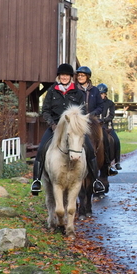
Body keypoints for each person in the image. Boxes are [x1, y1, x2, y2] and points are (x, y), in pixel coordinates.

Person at [30, 63, 105, 196]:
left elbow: (82, 111)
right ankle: (36, 181)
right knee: (42, 148)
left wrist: (77, 124)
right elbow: (45, 110)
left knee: (89, 148)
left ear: (71, 77)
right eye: (62, 75)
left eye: (67, 75)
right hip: (55, 127)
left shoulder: (77, 92)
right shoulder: (52, 91)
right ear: (59, 76)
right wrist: (52, 124)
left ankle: (95, 181)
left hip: (73, 128)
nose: (64, 77)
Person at [97, 83, 122, 173]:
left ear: (105, 94)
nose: (101, 95)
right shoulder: (96, 103)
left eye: (102, 94)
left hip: (107, 127)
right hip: (97, 127)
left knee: (116, 140)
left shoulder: (110, 103)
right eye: (99, 94)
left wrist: (103, 120)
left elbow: (111, 115)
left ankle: (117, 162)